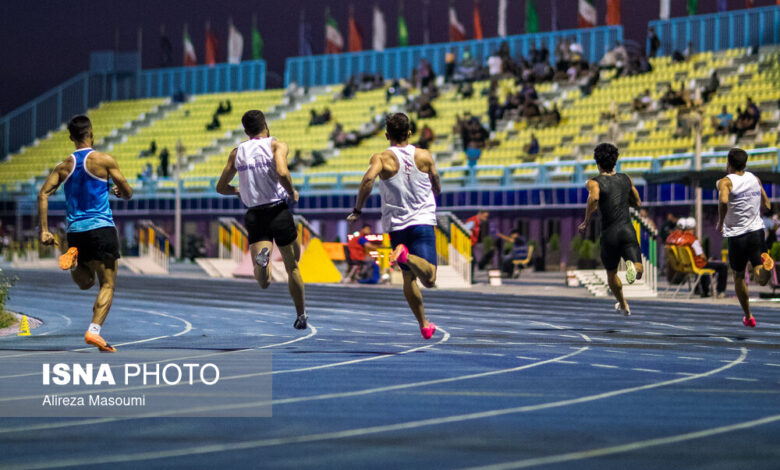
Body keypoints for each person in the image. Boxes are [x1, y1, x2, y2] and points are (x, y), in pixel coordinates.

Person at [38, 115, 134, 352]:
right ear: (91, 132)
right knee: (107, 285)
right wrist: (119, 191)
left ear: (71, 138)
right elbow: (128, 192)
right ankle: (94, 331)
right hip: (101, 228)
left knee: (86, 282)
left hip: (75, 232)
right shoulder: (104, 161)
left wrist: (44, 230)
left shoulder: (63, 166)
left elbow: (43, 194)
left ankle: (71, 261)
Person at [347, 113, 440, 339]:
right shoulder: (425, 155)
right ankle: (405, 256)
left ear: (387, 135)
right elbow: (436, 182)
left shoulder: (381, 158)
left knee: (409, 279)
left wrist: (358, 209)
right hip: (423, 221)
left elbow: (368, 179)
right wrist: (436, 192)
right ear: (409, 133)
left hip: (397, 226)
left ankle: (424, 324)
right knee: (429, 279)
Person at [216, 110, 308, 330]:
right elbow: (282, 172)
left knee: (264, 282)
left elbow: (220, 188)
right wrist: (292, 191)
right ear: (265, 125)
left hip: (255, 214)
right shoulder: (276, 145)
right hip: (277, 211)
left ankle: (262, 262)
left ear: (246, 131)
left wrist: (239, 189)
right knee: (292, 266)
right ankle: (301, 315)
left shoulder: (237, 152)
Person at [579, 143, 643, 316]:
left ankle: (623, 304)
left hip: (609, 234)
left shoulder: (594, 182)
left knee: (611, 273)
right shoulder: (626, 178)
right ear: (615, 161)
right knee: (639, 268)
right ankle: (634, 268)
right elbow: (637, 202)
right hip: (627, 230)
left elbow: (593, 199)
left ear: (597, 163)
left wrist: (586, 220)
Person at [716, 148, 774, 327]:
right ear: (745, 164)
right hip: (757, 232)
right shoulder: (754, 179)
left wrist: (720, 221)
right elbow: (767, 203)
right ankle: (764, 268)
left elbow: (724, 201)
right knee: (760, 275)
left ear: (729, 163)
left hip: (737, 235)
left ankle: (748, 315)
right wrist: (763, 205)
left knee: (739, 276)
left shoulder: (725, 182)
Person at [672, 218, 729, 298]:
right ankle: (720, 291)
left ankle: (703, 290)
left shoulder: (681, 239)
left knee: (707, 266)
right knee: (723, 266)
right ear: (693, 228)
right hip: (698, 265)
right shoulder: (693, 239)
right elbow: (701, 255)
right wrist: (707, 259)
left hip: (688, 265)